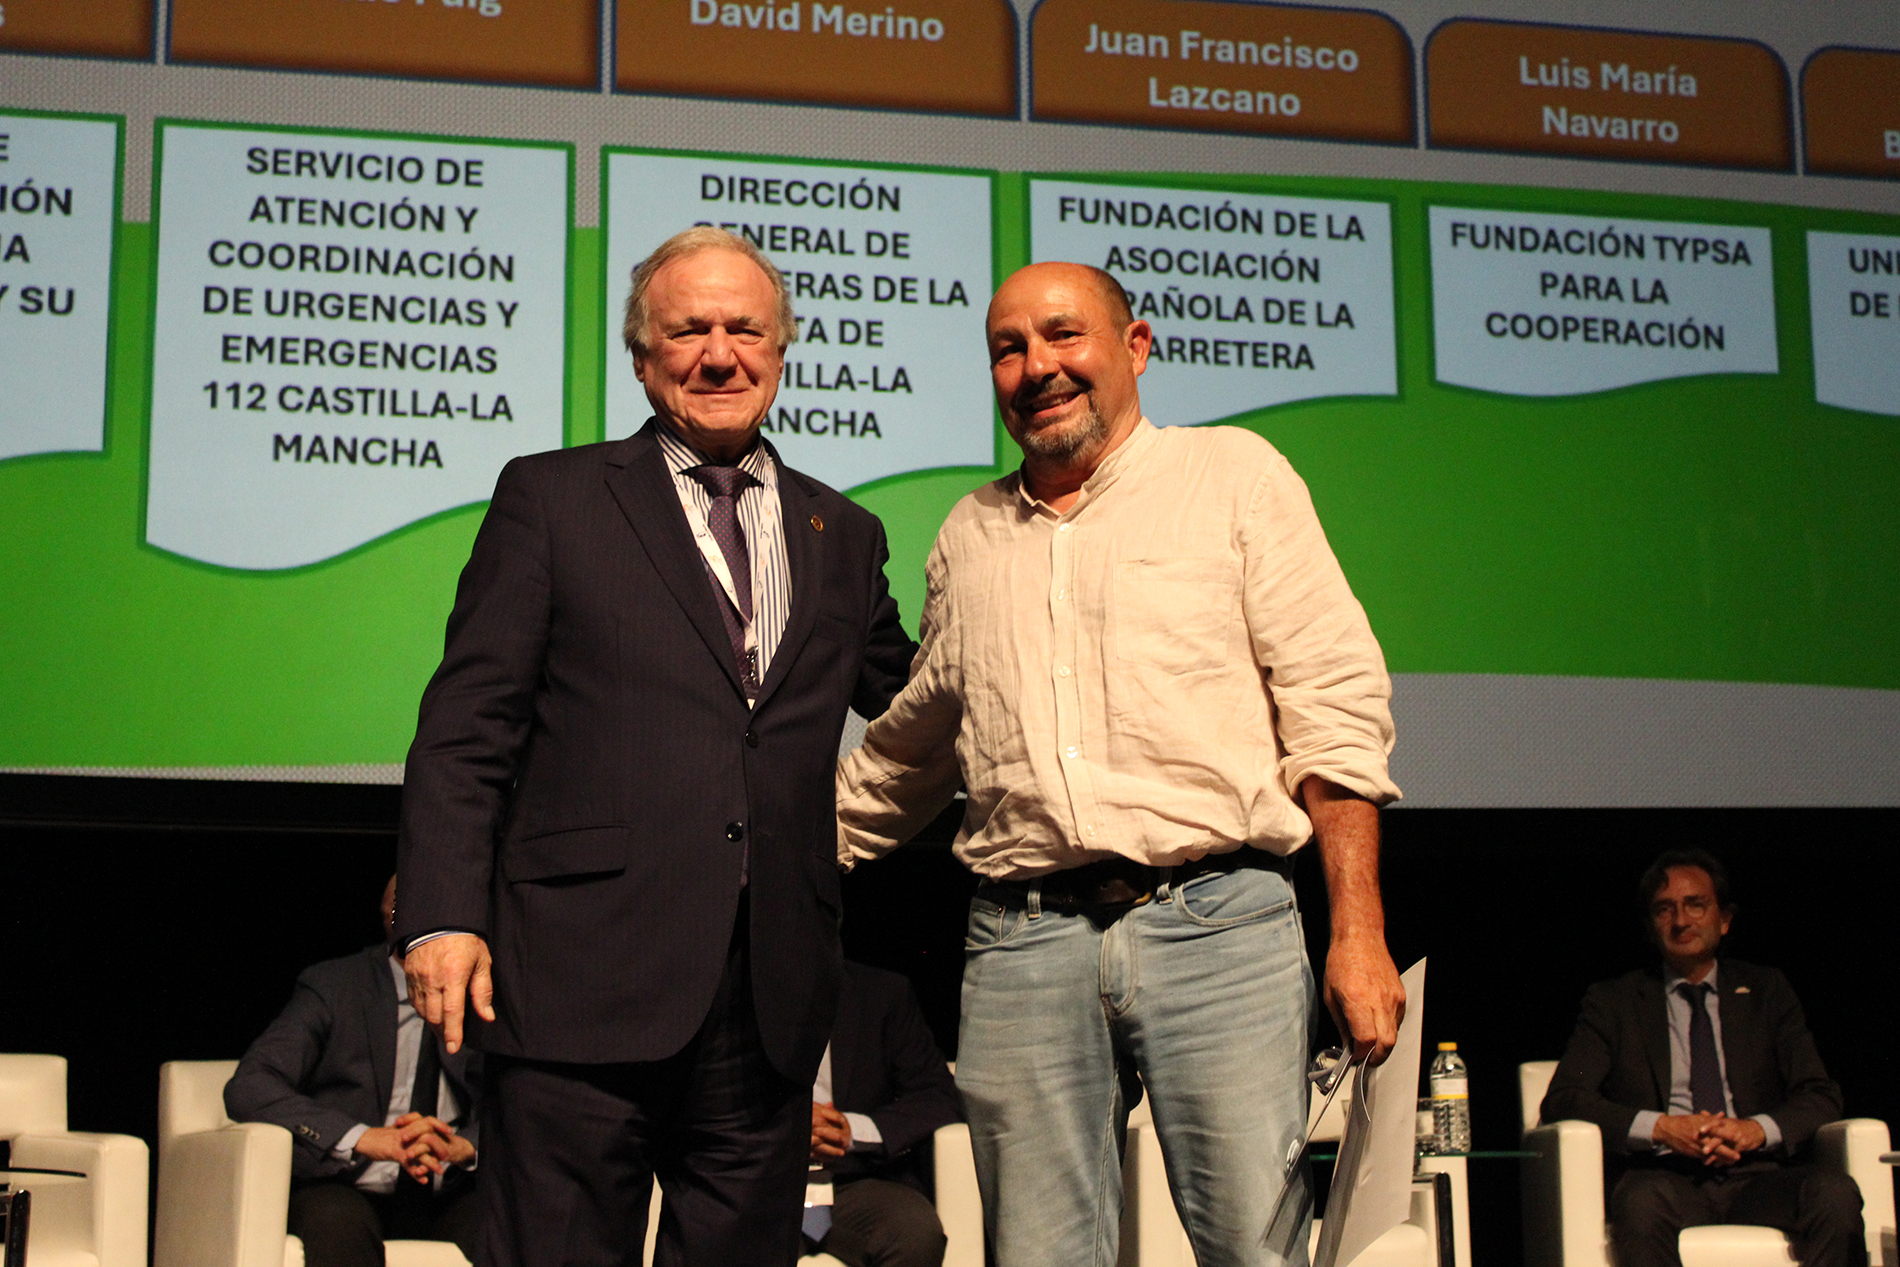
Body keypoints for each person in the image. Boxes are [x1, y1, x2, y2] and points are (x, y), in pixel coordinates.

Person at [836, 261, 1405, 1266]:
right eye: (1008, 348)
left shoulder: (1232, 476)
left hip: (1218, 924)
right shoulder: (969, 533)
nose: (1037, 366)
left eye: (1064, 335)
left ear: (1135, 347)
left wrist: (1358, 930)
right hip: (1021, 942)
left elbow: (1332, 703)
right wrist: (760, 852)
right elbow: (917, 744)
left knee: (1255, 1251)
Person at [395, 226, 916, 1266]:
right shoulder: (552, 497)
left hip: (769, 1001)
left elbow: (918, 704)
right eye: (688, 331)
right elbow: (466, 727)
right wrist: (444, 915)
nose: (720, 354)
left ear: (780, 351)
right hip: (576, 982)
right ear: (642, 358)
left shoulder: (843, 533)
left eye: (745, 329)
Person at [1542, 849, 1864, 1267]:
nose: (1680, 921)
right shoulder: (1614, 1002)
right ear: (1650, 927)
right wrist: (1662, 1128)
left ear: (1724, 919)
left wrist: (1754, 1130)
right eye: (1665, 909)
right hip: (1663, 1179)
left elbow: (1820, 1095)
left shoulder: (1767, 991)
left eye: (1695, 904)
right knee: (1641, 1204)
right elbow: (1565, 1098)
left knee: (1834, 1193)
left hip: (1758, 1178)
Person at [226, 875, 480, 1267]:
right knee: (338, 1225)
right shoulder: (335, 987)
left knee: (508, 1225)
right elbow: (251, 1086)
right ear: (389, 916)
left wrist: (467, 1145)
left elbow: (525, 1100)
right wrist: (362, 1137)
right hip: (346, 1184)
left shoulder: (488, 997)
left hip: (451, 1187)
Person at [804, 960, 963, 1267]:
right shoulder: (733, 995)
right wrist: (786, 1132)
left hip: (853, 1182)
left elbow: (938, 1095)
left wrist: (852, 1131)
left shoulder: (881, 993)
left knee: (914, 1234)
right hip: (759, 1184)